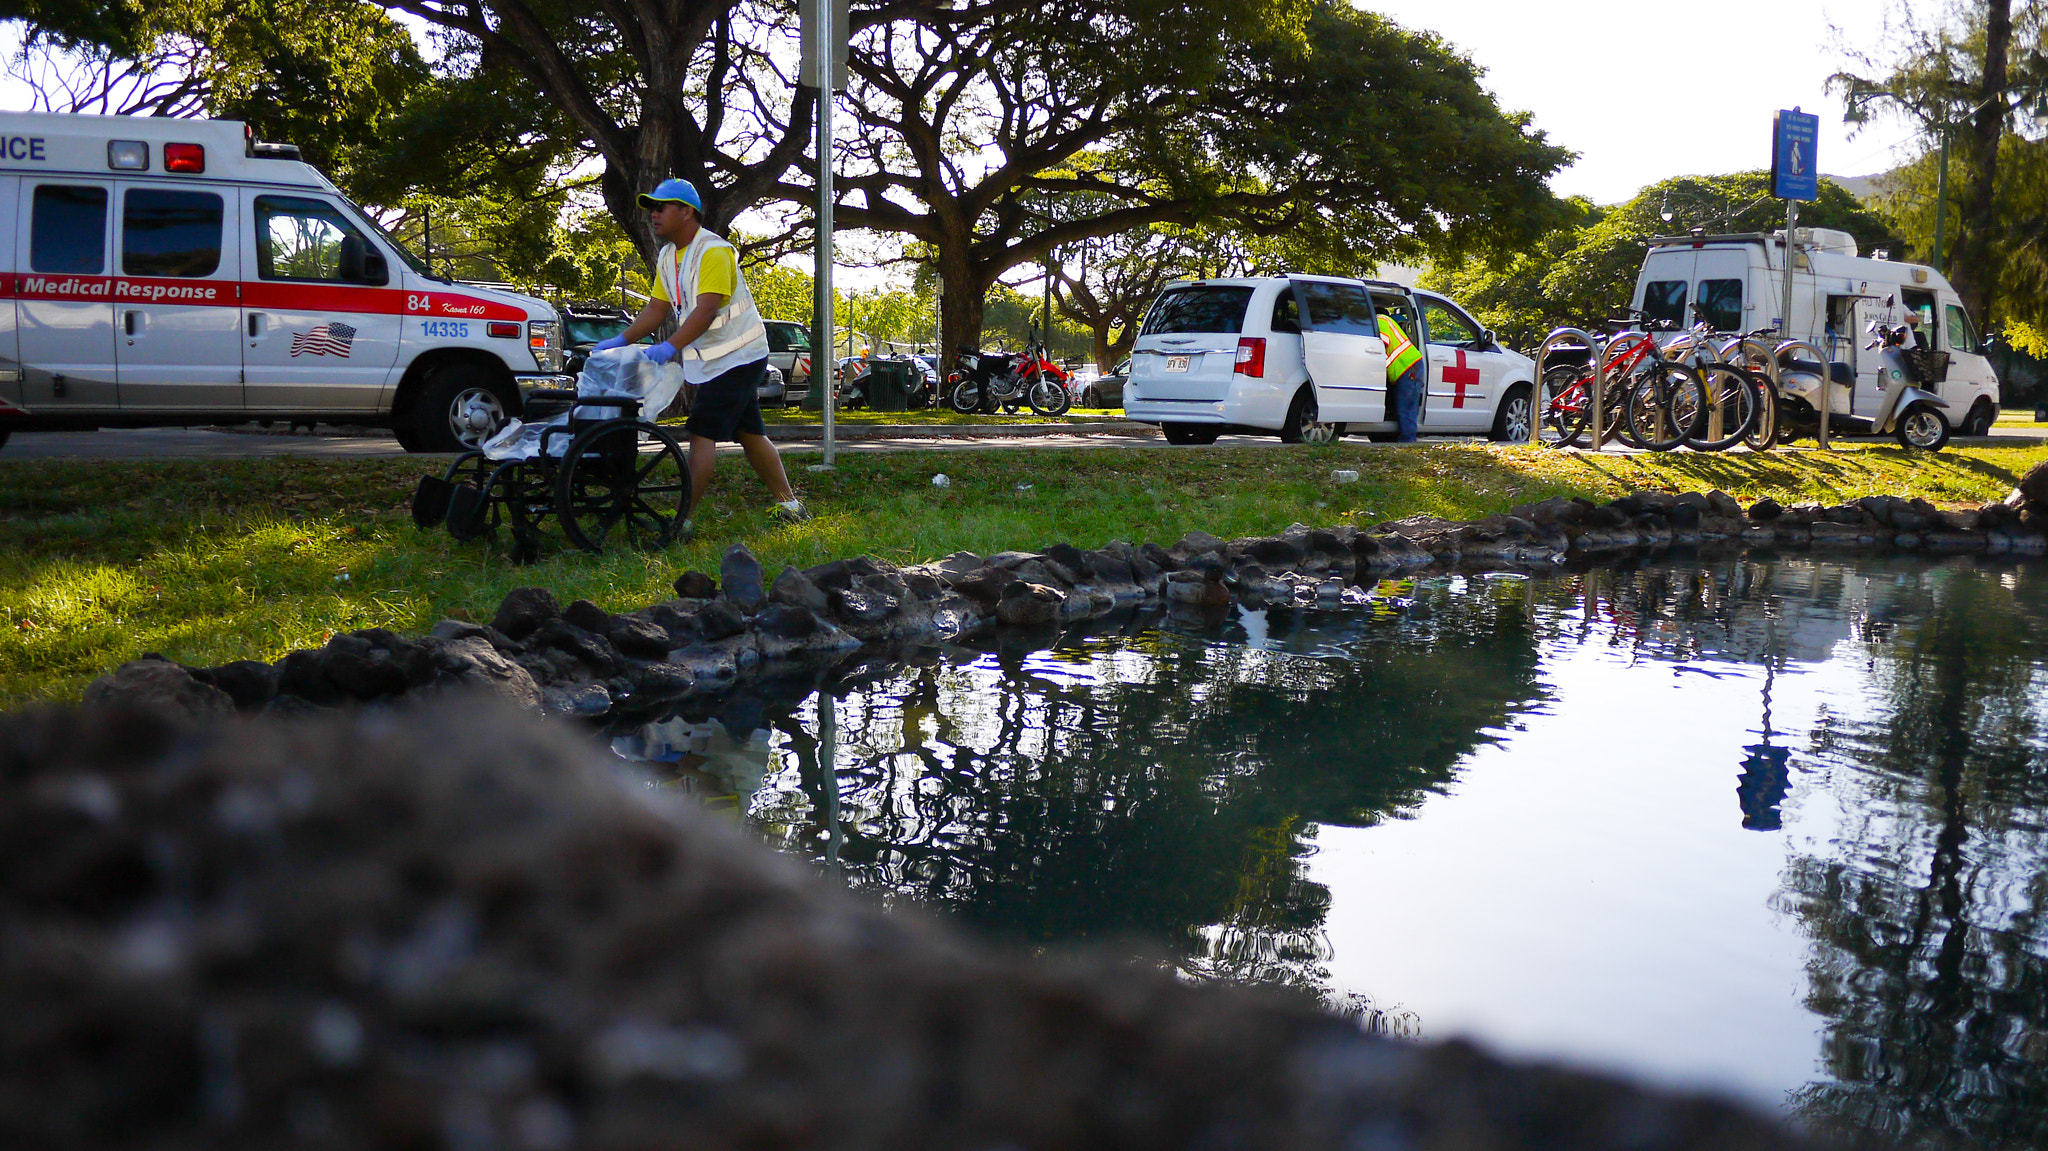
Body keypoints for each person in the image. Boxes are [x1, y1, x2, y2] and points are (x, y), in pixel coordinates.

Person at [597, 177, 806, 533]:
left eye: (660, 207)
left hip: (739, 357)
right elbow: (656, 310)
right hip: (713, 361)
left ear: (686, 211)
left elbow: (706, 310)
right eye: (650, 208)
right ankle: (789, 506)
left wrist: (670, 346)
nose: (653, 215)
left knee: (701, 433)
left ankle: (682, 521)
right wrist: (619, 339)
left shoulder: (713, 251)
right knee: (750, 433)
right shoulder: (669, 256)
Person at [1377, 306, 1425, 442]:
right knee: (1404, 405)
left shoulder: (1381, 320)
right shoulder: (1387, 320)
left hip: (1408, 367)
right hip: (1409, 367)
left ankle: (1408, 442)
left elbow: (1381, 345)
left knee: (1406, 407)